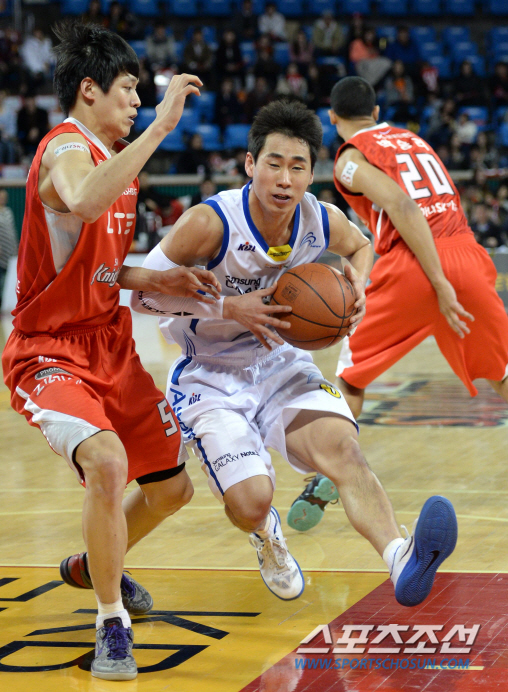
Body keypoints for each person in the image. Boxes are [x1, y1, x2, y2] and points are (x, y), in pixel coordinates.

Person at [131, 98, 458, 610]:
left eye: (298, 167)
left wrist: (359, 285)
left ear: (311, 173)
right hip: (210, 376)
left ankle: (401, 557)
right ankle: (265, 532)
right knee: (249, 503)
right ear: (250, 164)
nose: (285, 179)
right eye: (274, 164)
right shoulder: (210, 223)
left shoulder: (319, 219)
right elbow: (141, 295)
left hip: (281, 365)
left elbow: (362, 245)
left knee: (344, 451)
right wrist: (228, 307)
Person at [1, 22, 221, 681]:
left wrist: (156, 279)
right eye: (128, 88)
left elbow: (96, 266)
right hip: (50, 349)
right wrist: (161, 128)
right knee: (106, 461)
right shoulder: (67, 148)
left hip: (110, 344)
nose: (137, 101)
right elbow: (84, 199)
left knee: (173, 490)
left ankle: (96, 564)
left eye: (140, 93)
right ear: (88, 89)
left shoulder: (116, 160)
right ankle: (110, 624)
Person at [288, 76, 508, 532]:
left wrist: (437, 282)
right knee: (502, 373)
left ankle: (328, 474)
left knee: (351, 375)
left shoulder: (350, 158)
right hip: (467, 256)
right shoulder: (412, 139)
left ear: (332, 117)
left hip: (413, 265)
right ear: (376, 111)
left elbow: (404, 208)